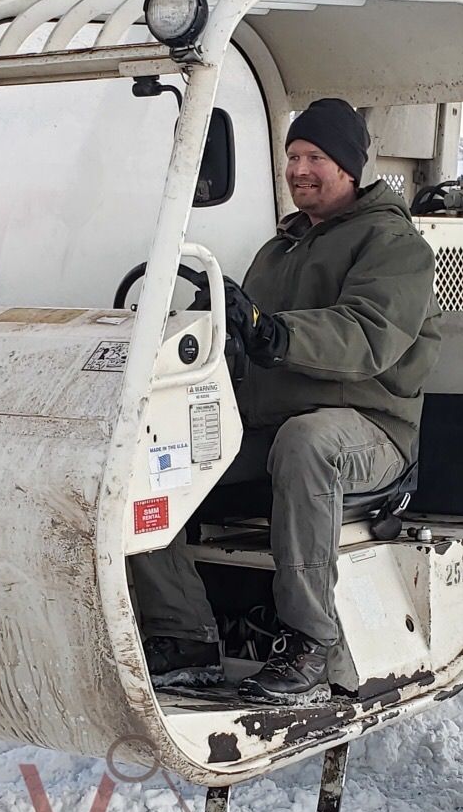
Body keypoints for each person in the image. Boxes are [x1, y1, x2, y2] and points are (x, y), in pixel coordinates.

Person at [131, 97, 441, 703]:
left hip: (371, 431)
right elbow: (247, 336)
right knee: (150, 454)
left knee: (308, 444)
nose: (299, 168)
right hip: (270, 429)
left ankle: (309, 642)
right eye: (293, 155)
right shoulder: (280, 249)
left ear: (351, 167)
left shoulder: (392, 244)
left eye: (316, 157)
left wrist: (276, 334)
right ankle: (183, 632)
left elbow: (367, 335)